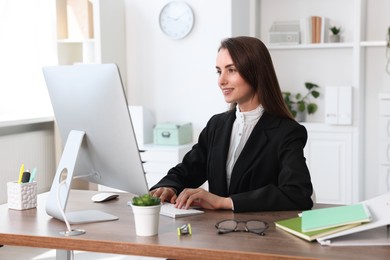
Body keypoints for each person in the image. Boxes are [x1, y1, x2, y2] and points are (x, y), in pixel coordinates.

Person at [150, 36, 313, 212]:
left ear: (255, 72)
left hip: (261, 233)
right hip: (218, 232)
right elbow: (188, 169)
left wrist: (223, 202)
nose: (221, 81)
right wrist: (169, 186)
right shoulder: (216, 125)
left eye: (231, 70)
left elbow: (297, 194)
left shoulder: (286, 132)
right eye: (219, 71)